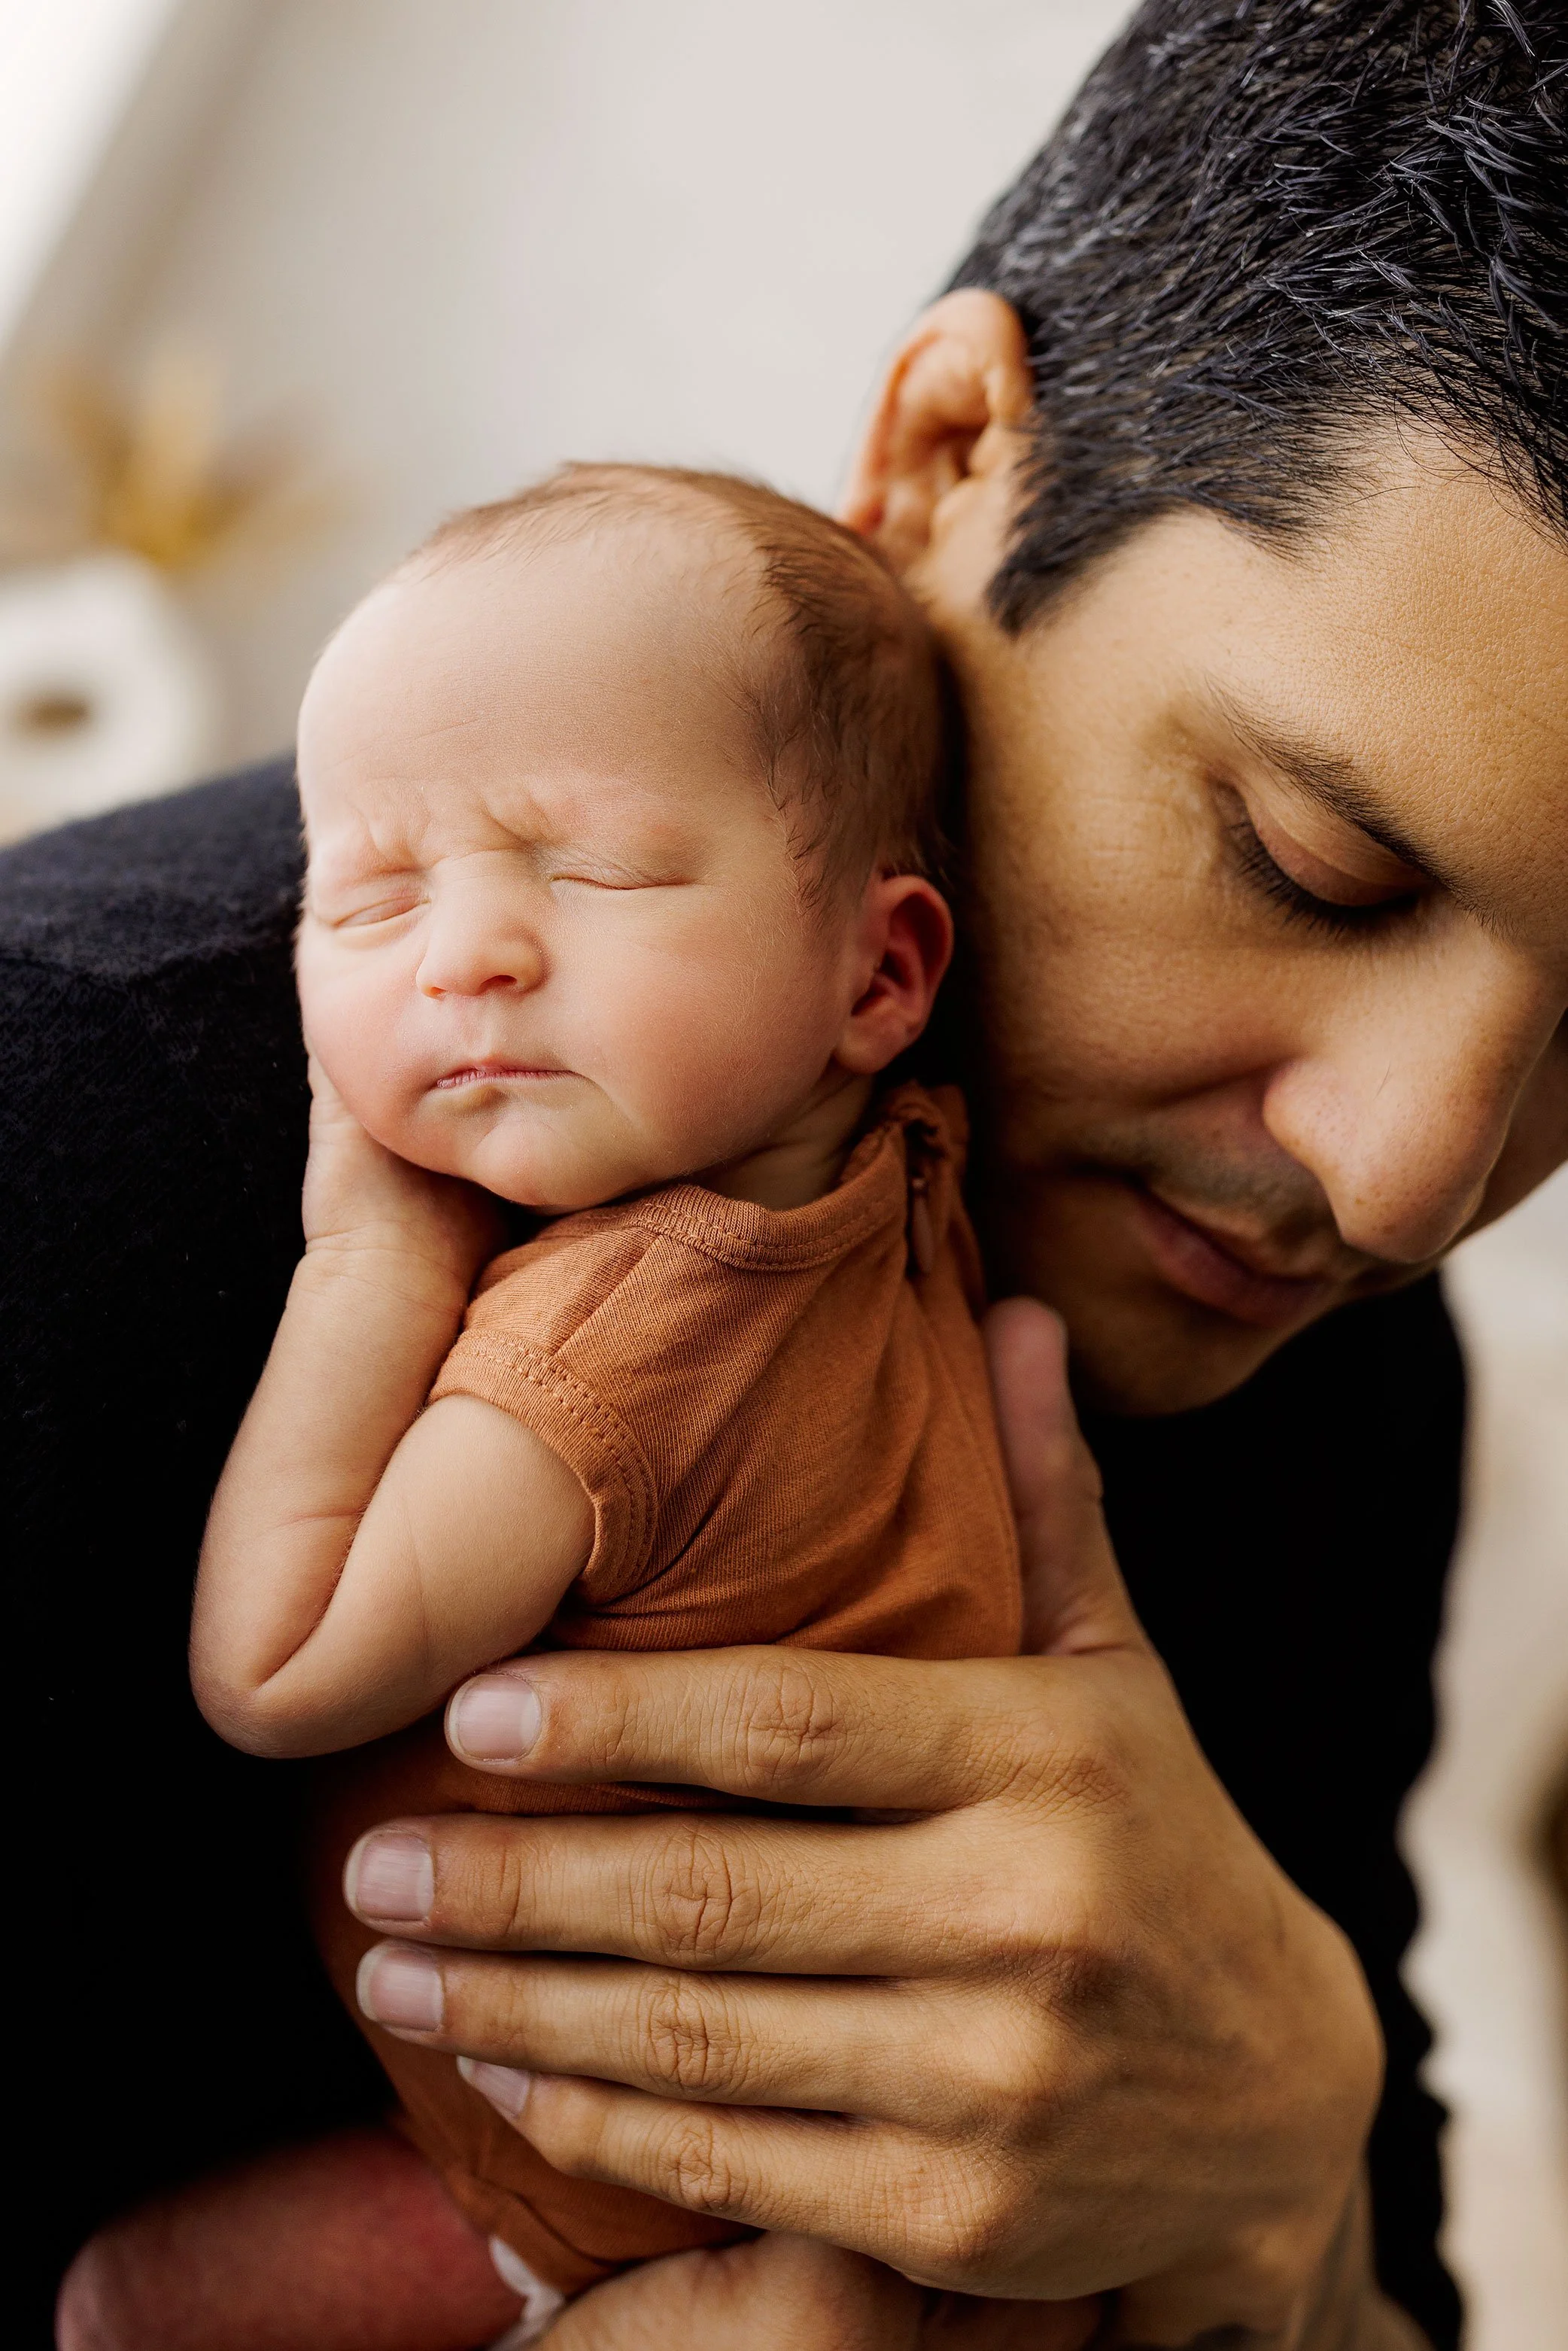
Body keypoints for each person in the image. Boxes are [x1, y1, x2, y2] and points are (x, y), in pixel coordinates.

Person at [14, 0, 1563, 2344]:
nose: (1412, 1183)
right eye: (1309, 862)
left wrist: (1294, 2198)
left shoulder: (1336, 1377)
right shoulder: (60, 1168)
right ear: (944, 459)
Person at [189, 461, 1020, 2331]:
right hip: (846, 2158)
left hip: (620, 2206)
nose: (465, 950)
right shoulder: (906, 1172)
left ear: (880, 967)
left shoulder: (629, 1330)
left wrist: (371, 1265)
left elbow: (283, 1660)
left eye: (592, 867)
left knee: (116, 2298)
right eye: (368, 894)